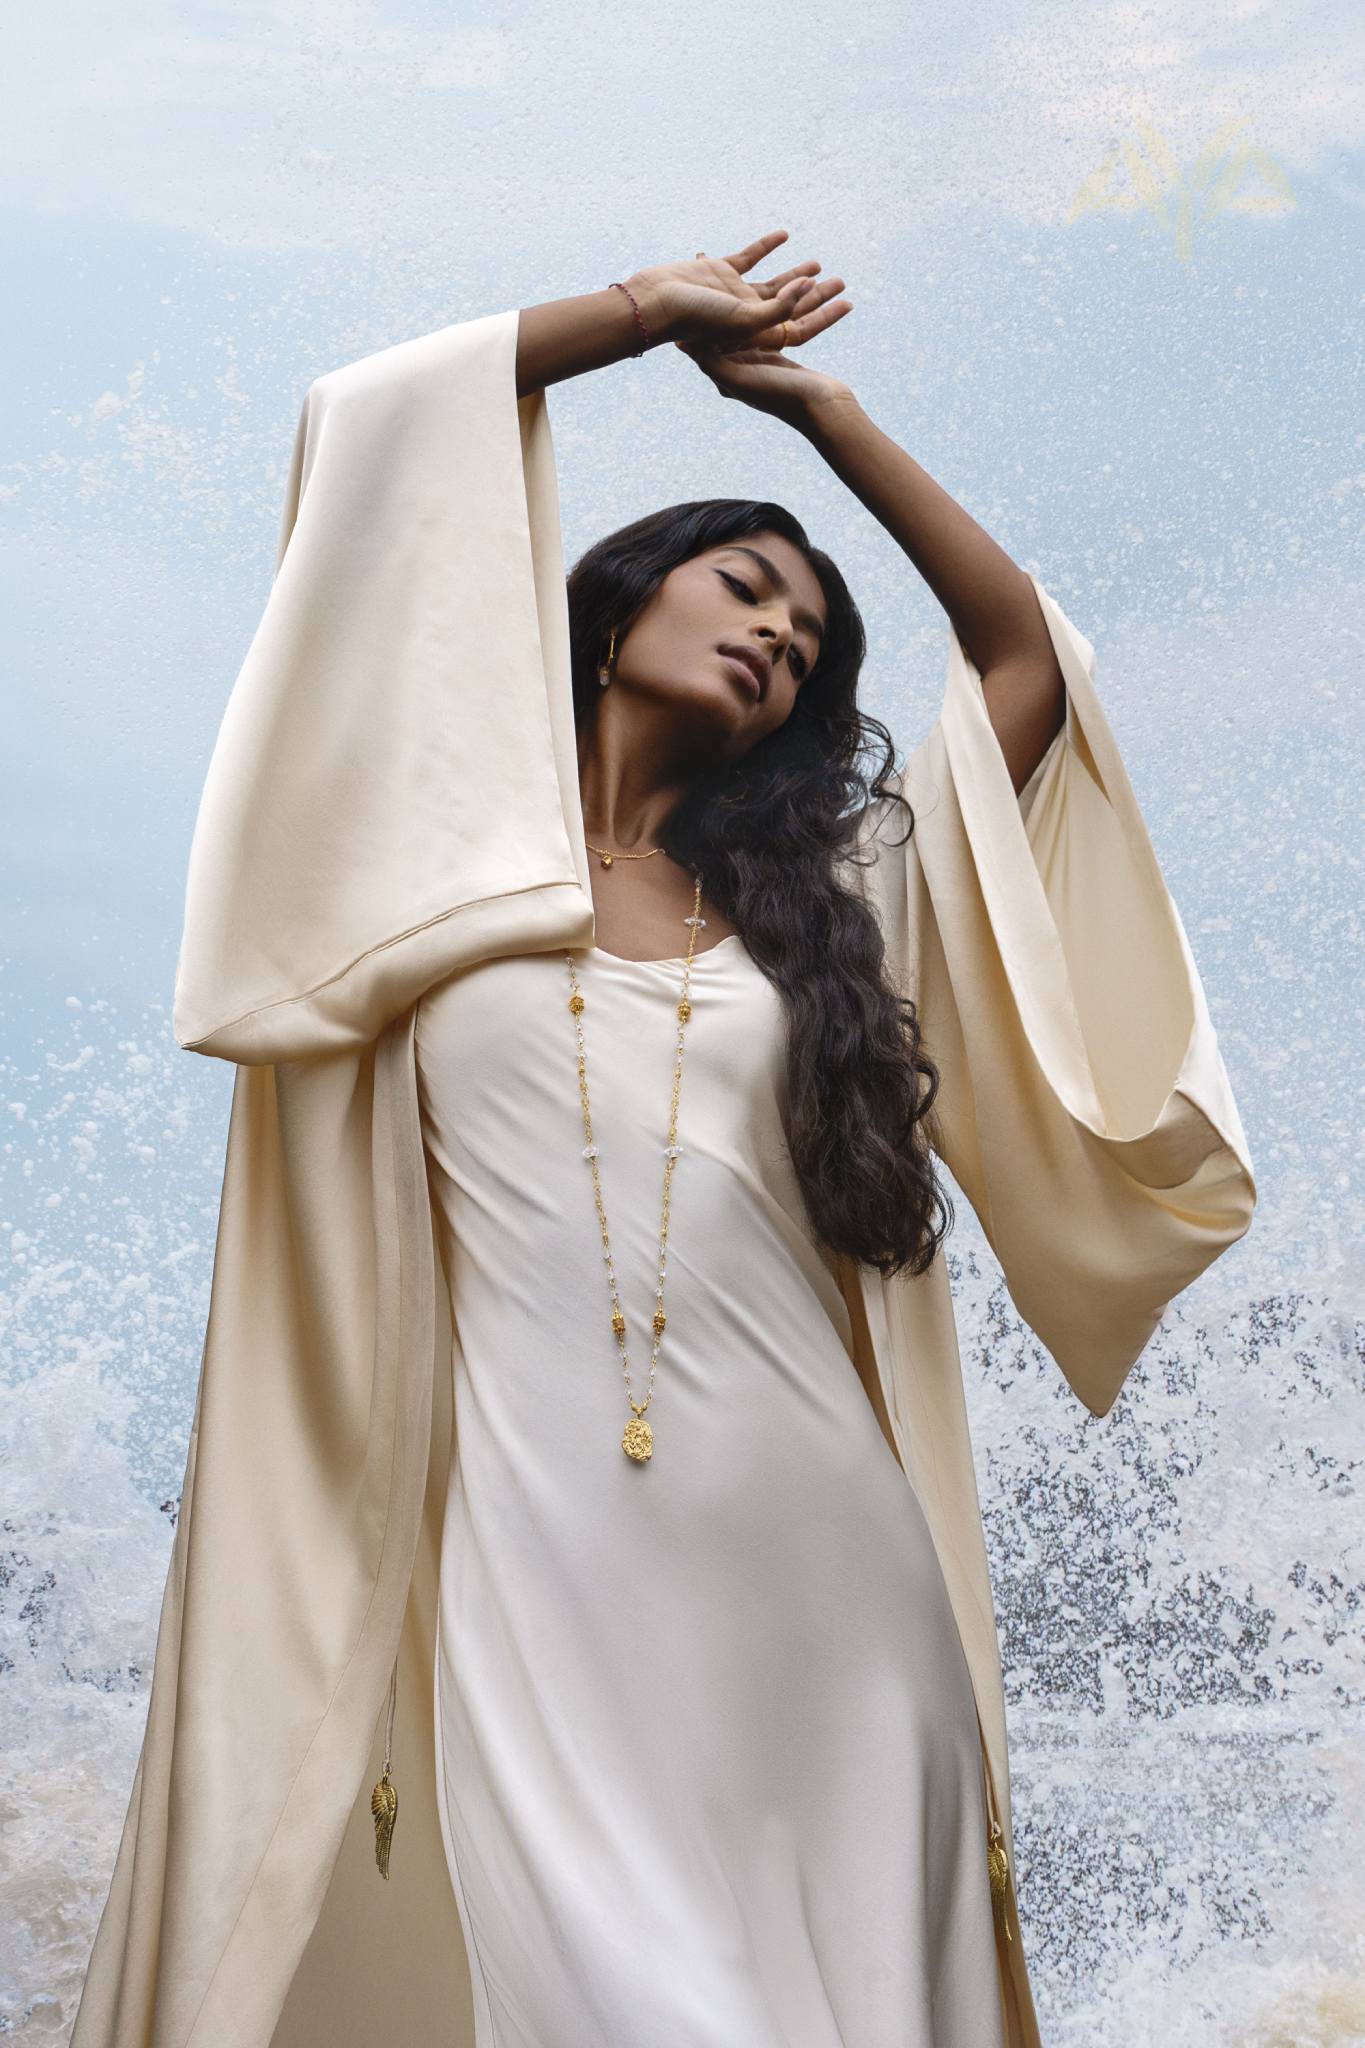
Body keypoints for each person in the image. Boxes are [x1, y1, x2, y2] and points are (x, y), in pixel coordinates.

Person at [71, 232, 1256, 2048]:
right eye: (744, 579)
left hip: (822, 1572)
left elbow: (1018, 654)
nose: (780, 628)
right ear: (619, 599)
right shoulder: (432, 858)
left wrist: (826, 418)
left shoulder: (832, 897)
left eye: (806, 634)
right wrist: (646, 322)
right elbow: (369, 438)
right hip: (531, 1560)